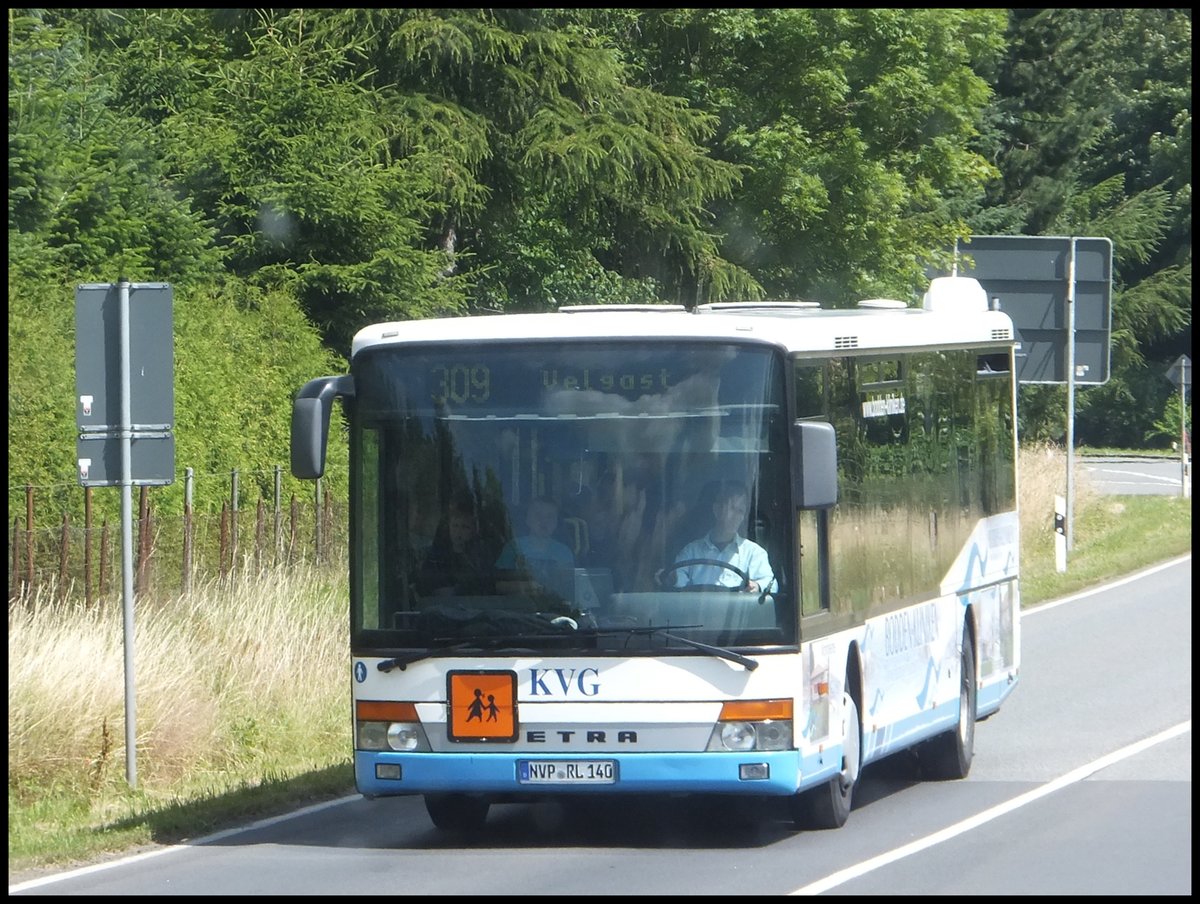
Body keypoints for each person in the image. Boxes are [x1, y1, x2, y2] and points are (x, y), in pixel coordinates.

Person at [671, 481, 774, 593]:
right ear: (717, 509)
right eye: (732, 508)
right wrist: (671, 578)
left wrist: (757, 586)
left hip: (738, 611)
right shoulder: (691, 552)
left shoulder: (753, 553)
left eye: (740, 511)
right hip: (697, 610)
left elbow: (771, 584)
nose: (736, 516)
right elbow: (678, 582)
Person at [495, 496, 575, 600]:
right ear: (527, 519)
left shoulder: (564, 552)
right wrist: (525, 587)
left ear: (556, 523)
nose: (544, 521)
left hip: (554, 606)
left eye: (550, 516)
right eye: (538, 515)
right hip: (517, 607)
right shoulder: (514, 547)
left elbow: (569, 589)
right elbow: (498, 585)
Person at [417, 501, 494, 596]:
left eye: (465, 527)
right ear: (449, 527)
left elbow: (486, 584)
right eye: (455, 526)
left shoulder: (481, 556)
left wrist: (458, 590)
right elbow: (425, 585)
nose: (459, 532)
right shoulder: (436, 557)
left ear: (474, 531)